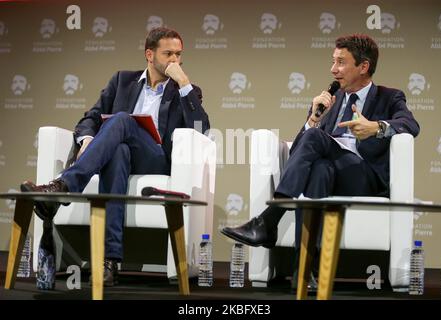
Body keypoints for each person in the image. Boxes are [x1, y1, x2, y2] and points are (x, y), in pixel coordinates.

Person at [21, 27, 210, 286]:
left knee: (121, 119)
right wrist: (87, 138)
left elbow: (202, 129)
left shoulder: (186, 90)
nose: (175, 60)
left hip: (156, 159)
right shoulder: (122, 80)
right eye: (168, 54)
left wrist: (184, 83)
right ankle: (109, 260)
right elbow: (91, 116)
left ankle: (63, 186)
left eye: (179, 54)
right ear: (149, 55)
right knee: (118, 151)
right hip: (121, 156)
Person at [221, 34, 419, 259]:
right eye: (333, 61)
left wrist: (375, 127)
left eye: (341, 62)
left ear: (364, 66)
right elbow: (298, 153)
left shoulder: (389, 97)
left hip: (363, 177)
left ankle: (269, 220)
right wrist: (313, 120)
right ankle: (307, 272)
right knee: (319, 170)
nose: (333, 69)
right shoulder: (330, 102)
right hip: (331, 173)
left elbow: (410, 125)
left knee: (315, 139)